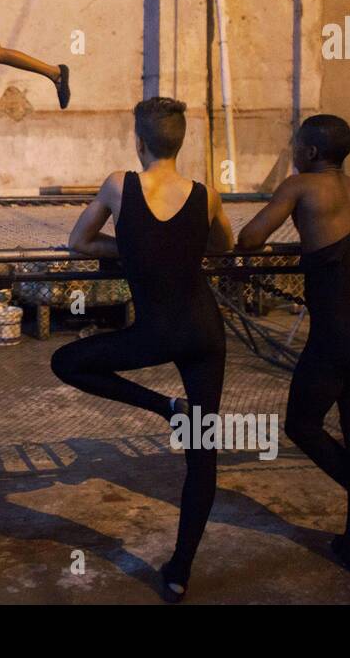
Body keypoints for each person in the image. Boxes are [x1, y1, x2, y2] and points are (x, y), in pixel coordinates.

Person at [51, 97, 234, 600]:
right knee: (203, 454)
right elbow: (224, 246)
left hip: (153, 335)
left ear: (138, 141)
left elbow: (79, 242)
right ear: (182, 142)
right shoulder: (207, 195)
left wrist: (130, 249)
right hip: (204, 333)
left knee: (67, 361)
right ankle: (179, 571)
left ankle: (164, 408)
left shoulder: (119, 184)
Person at [237, 114, 350, 572]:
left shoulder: (300, 187)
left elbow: (251, 238)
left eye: (296, 145)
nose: (294, 152)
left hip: (335, 336)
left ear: (311, 153)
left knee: (302, 424)